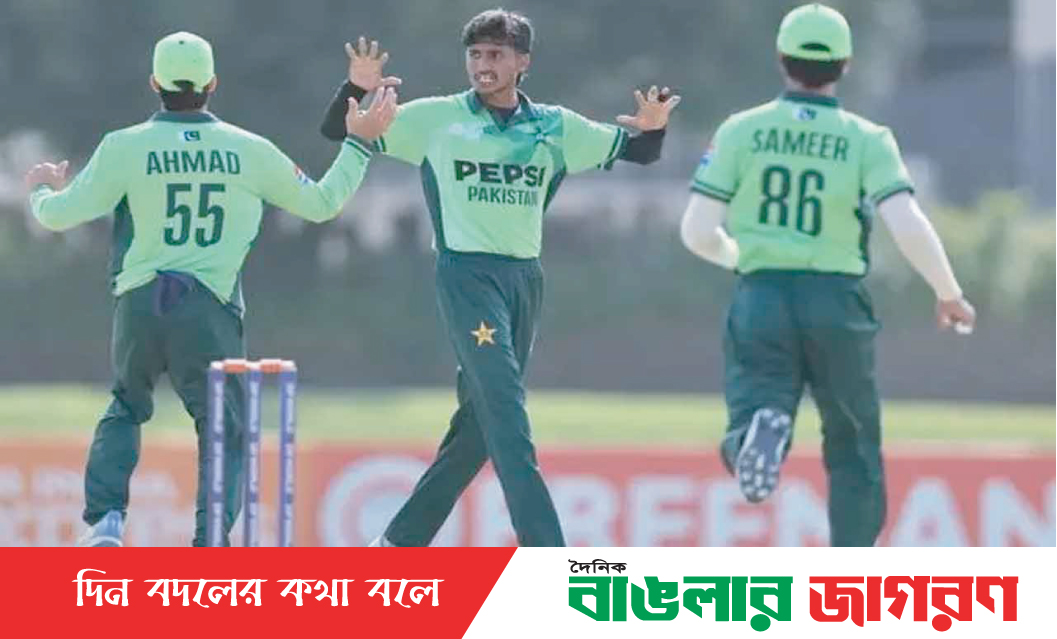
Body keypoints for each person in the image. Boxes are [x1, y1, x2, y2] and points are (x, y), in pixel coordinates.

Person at [320, 9, 680, 547]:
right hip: (467, 277)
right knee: (507, 413)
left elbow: (643, 152)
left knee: (478, 430)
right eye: (475, 54)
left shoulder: (556, 127)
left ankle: (397, 545)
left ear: (522, 62)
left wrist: (655, 126)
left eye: (495, 54)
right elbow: (338, 130)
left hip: (523, 281)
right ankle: (547, 555)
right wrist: (356, 87)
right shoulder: (436, 119)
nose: (482, 65)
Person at [25, 31, 397, 546]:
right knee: (224, 432)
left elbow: (58, 216)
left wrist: (41, 189)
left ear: (154, 83)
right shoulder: (249, 149)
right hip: (210, 307)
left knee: (127, 406)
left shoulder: (124, 146)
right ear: (213, 84)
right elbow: (323, 203)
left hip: (139, 301)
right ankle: (209, 545)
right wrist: (357, 144)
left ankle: (106, 522)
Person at [679, 3, 975, 547]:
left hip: (763, 293)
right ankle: (850, 570)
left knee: (756, 402)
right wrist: (948, 292)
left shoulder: (740, 130)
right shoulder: (867, 138)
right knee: (853, 444)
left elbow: (697, 231)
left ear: (781, 58)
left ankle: (754, 436)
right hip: (837, 299)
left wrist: (742, 256)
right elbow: (906, 221)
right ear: (846, 64)